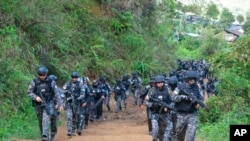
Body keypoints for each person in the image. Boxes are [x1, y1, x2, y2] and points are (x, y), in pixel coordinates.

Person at [27, 66, 63, 141]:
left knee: (45, 118)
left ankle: (45, 135)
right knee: (41, 122)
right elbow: (29, 92)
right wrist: (35, 97)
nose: (42, 77)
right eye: (40, 75)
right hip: (38, 104)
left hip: (49, 103)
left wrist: (59, 104)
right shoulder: (34, 82)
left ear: (46, 74)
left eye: (44, 75)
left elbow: (57, 93)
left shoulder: (51, 82)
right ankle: (43, 137)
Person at [172, 70, 204, 141]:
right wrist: (183, 97)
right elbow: (173, 97)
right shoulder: (180, 86)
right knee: (179, 135)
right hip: (181, 114)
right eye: (190, 79)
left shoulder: (198, 88)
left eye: (193, 79)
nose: (191, 81)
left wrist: (199, 103)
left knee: (191, 135)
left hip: (192, 114)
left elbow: (201, 99)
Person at [147, 75, 173, 141]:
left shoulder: (168, 90)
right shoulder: (152, 90)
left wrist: (168, 107)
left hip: (165, 114)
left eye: (161, 82)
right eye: (158, 83)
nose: (160, 84)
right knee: (155, 131)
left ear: (163, 82)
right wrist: (154, 105)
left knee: (169, 127)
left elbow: (173, 100)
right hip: (155, 113)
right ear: (156, 83)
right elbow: (146, 102)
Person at [63, 71, 86, 136]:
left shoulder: (80, 84)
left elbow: (83, 94)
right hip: (69, 103)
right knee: (69, 116)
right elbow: (63, 90)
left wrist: (77, 98)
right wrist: (68, 93)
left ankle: (74, 130)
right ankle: (69, 131)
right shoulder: (68, 83)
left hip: (77, 104)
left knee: (76, 117)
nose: (74, 79)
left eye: (75, 77)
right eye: (73, 77)